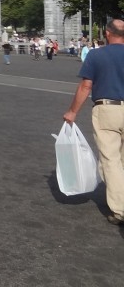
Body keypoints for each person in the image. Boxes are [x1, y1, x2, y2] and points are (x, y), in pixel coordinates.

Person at [63, 19, 124, 225]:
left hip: (107, 108)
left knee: (110, 159)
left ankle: (120, 208)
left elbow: (86, 87)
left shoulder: (97, 55)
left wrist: (72, 112)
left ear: (107, 33)